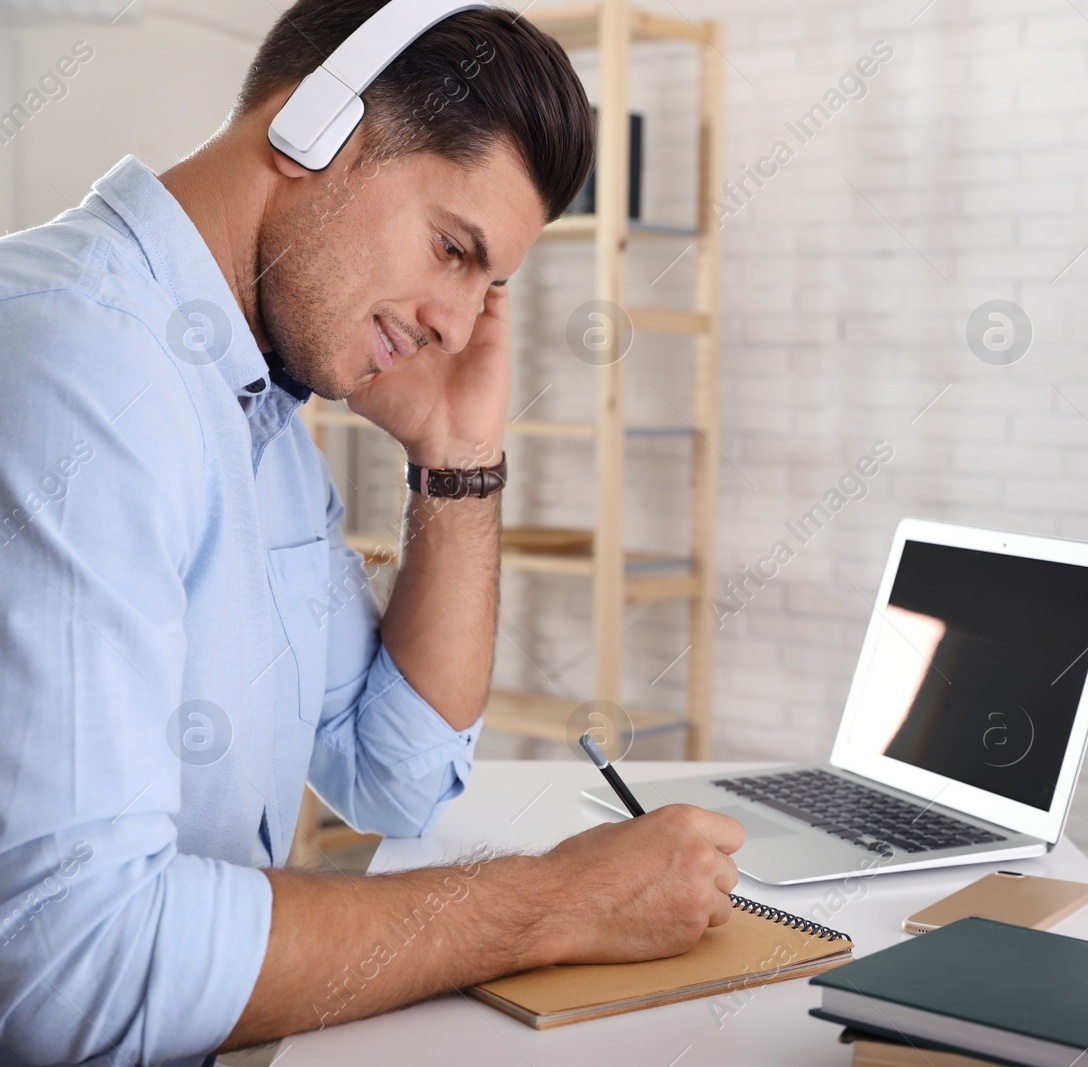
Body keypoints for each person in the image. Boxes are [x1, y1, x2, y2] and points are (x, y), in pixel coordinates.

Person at [0, 3, 743, 1063]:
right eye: (453, 248)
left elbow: (394, 773)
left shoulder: (257, 407)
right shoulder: (85, 368)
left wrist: (457, 457)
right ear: (313, 126)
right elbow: (74, 966)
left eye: (487, 286)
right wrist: (557, 903)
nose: (457, 320)